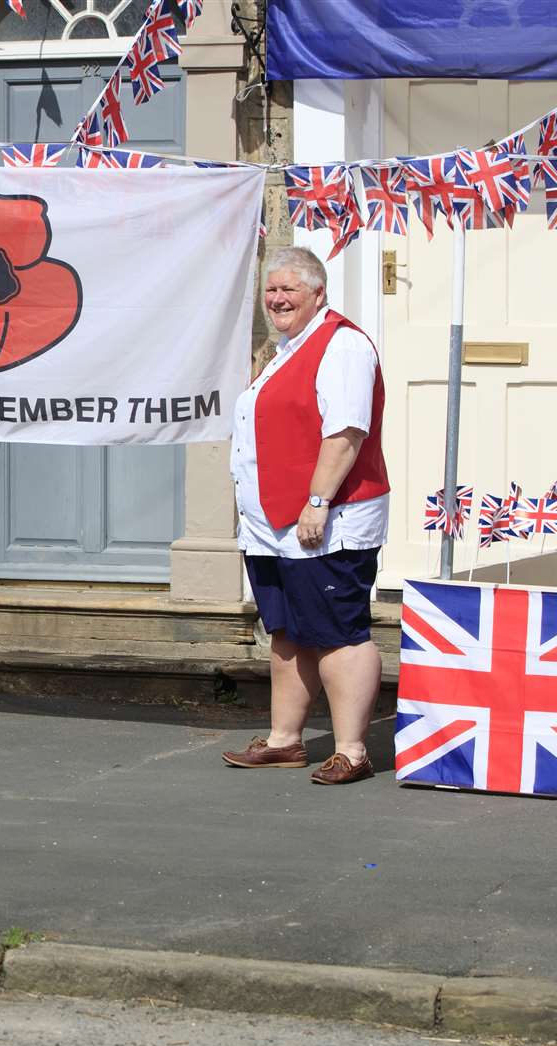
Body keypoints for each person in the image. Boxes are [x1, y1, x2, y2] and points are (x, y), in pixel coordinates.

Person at [221, 246, 388, 785]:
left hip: (327, 519)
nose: (277, 298)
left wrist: (318, 501)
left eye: (289, 289)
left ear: (318, 293)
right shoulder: (286, 349)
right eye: (271, 290)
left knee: (340, 632)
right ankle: (284, 741)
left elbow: (345, 432)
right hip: (272, 522)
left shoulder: (342, 345)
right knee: (289, 631)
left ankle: (352, 750)